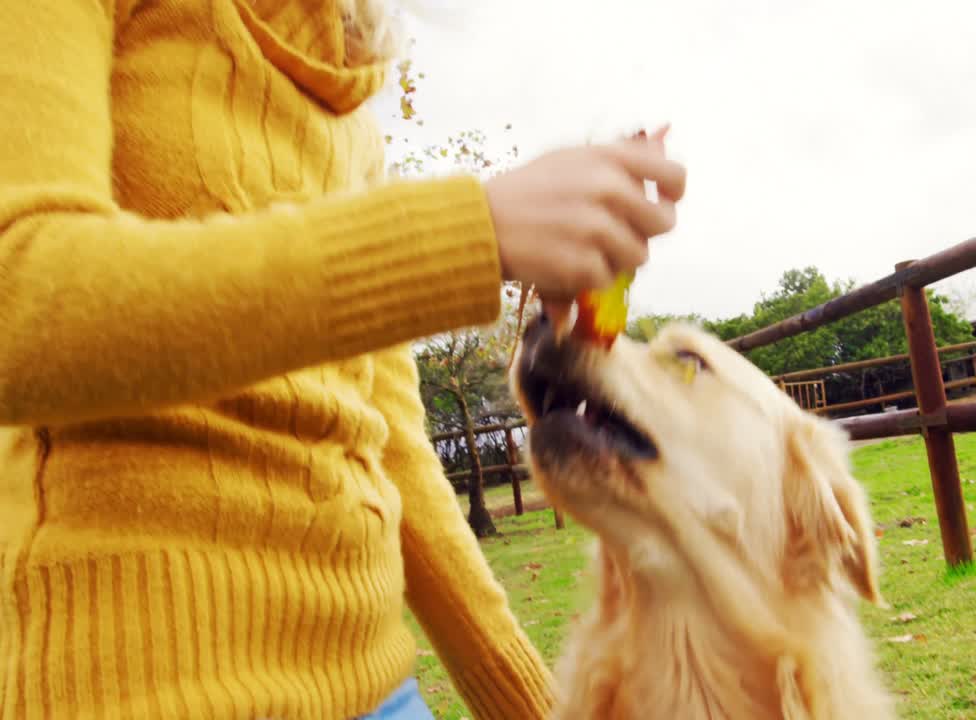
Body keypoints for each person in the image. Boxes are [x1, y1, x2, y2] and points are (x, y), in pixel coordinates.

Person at [0, 1, 686, 719]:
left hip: (378, 691)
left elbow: (387, 441)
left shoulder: (351, 98)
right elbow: (21, 300)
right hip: (142, 686)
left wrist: (533, 706)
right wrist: (468, 233)